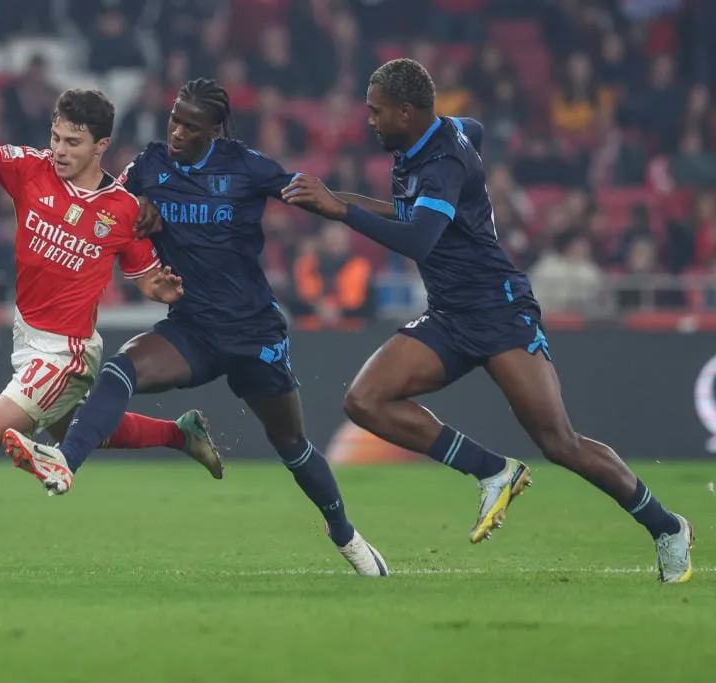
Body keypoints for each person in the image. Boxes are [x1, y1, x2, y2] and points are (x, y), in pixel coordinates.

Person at [280, 58, 694, 583]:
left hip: (499, 311)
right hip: (449, 315)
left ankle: (667, 527)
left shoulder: (443, 163)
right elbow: (468, 132)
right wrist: (332, 200)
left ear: (406, 112)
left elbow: (417, 239)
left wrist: (342, 210)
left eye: (376, 111)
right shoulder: (440, 136)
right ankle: (492, 470)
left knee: (559, 442)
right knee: (365, 400)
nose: (370, 120)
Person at [1, 79, 389, 577]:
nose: (177, 133)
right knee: (121, 369)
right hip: (193, 329)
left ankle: (344, 533)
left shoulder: (247, 167)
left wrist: (401, 214)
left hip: (254, 333)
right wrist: (135, 208)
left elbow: (327, 201)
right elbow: (108, 202)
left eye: (191, 127)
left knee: (291, 444)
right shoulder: (150, 165)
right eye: (174, 120)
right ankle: (65, 461)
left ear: (215, 131)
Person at [0, 89, 224, 569]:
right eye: (56, 137)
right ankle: (181, 434)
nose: (60, 150)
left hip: (66, 353)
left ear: (101, 146)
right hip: (27, 337)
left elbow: (147, 278)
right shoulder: (30, 169)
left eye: (73, 141)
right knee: (83, 428)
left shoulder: (123, 210)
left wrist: (163, 289)